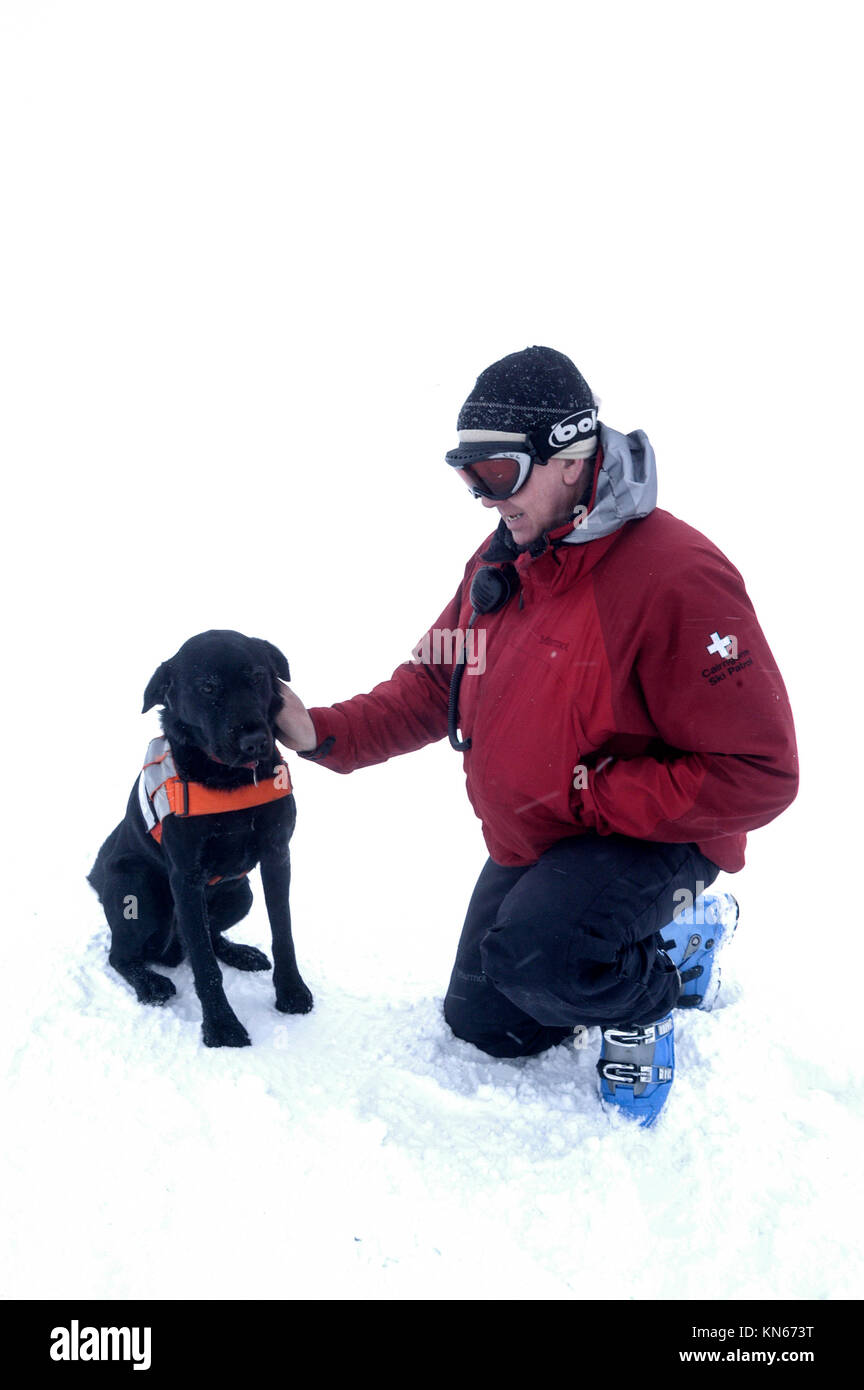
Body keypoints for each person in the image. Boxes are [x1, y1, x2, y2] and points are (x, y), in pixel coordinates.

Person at [276, 346, 798, 1126]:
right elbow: (432, 681)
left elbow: (762, 773)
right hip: (551, 836)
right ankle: (670, 935)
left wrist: (596, 789)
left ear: (568, 454)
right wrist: (319, 731)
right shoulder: (506, 562)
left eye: (496, 475)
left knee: (543, 959)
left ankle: (649, 996)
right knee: (492, 1023)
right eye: (469, 478)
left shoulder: (677, 579)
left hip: (654, 835)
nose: (485, 502)